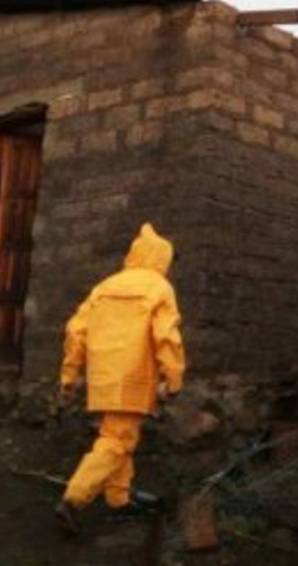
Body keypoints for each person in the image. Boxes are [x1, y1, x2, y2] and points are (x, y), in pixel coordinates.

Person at [54, 222, 185, 535]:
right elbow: (166, 336)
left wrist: (69, 376)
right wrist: (174, 376)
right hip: (134, 376)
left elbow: (75, 331)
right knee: (117, 439)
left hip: (102, 377)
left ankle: (118, 498)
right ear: (161, 259)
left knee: (117, 434)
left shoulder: (104, 285)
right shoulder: (159, 287)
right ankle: (73, 499)